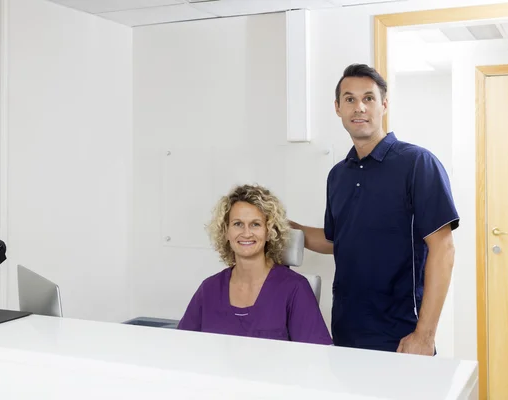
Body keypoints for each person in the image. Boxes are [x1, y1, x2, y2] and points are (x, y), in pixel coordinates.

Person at [291, 63, 459, 355]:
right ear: (337, 108)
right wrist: (283, 227)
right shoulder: (338, 175)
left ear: (383, 104)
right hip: (346, 331)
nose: (359, 107)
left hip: (402, 335)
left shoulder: (417, 163)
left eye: (368, 98)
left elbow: (443, 248)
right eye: (349, 99)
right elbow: (335, 241)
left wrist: (424, 335)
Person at [177, 184, 333, 345]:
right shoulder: (209, 289)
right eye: (238, 224)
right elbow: (181, 348)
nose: (246, 233)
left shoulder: (294, 289)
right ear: (226, 231)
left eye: (255, 224)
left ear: (269, 232)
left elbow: (316, 360)